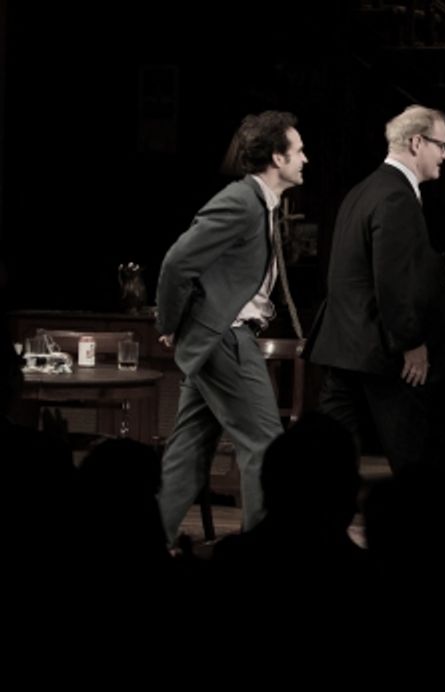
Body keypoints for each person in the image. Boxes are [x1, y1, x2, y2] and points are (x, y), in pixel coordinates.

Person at [156, 110, 307, 543]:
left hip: (218, 339)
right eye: (298, 151)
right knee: (266, 446)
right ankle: (263, 554)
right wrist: (170, 321)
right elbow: (177, 262)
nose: (305, 159)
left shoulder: (262, 204)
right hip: (226, 339)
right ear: (277, 158)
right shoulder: (240, 200)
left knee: (188, 453)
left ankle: (143, 541)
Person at [305, 106, 445, 473]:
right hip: (380, 350)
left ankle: (318, 525)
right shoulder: (397, 196)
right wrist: (410, 343)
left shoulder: (361, 189)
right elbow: (393, 281)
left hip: (341, 345)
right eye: (442, 145)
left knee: (332, 457)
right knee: (412, 457)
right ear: (417, 142)